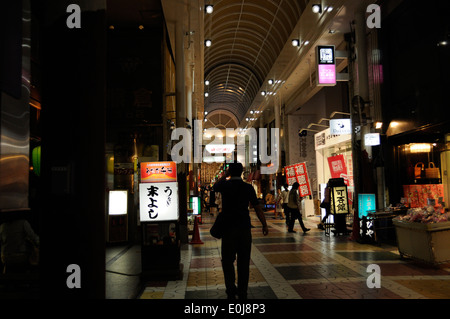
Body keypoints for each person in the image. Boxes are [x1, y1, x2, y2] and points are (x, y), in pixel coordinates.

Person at [213, 162, 268, 299]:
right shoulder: (247, 188)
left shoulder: (225, 185)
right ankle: (242, 291)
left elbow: (215, 186)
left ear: (229, 172)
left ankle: (231, 288)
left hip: (228, 228)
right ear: (242, 172)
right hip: (244, 228)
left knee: (227, 260)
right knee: (243, 261)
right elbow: (256, 207)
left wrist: (226, 175)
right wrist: (264, 224)